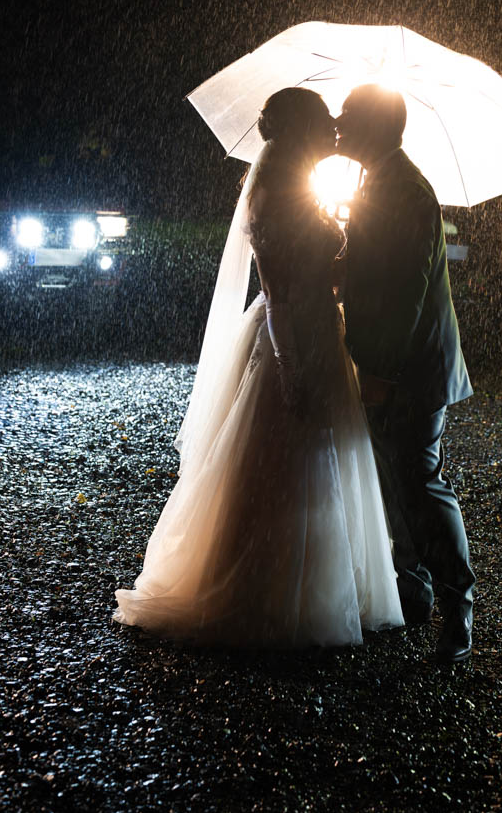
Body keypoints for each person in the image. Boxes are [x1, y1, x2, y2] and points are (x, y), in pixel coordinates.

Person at [114, 88, 403, 647]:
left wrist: (349, 255)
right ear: (299, 132)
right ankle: (262, 589)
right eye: (324, 124)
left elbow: (318, 271)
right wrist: (291, 366)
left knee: (322, 462)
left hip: (321, 330)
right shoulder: (273, 194)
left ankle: (324, 582)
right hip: (290, 339)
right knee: (282, 459)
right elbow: (277, 292)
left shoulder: (304, 188)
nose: (334, 133)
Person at [336, 84, 476, 662]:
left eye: (349, 118)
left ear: (377, 127)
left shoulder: (408, 192)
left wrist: (382, 372)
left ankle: (458, 609)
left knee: (420, 483)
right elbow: (371, 273)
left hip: (411, 370)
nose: (339, 127)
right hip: (387, 365)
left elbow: (405, 295)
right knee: (393, 480)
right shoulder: (375, 182)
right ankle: (413, 592)